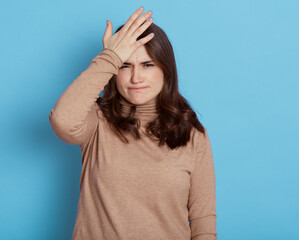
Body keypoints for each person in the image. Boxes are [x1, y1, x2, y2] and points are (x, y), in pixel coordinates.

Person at [49, 7, 217, 240]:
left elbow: (202, 219)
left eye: (147, 65)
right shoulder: (97, 119)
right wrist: (110, 57)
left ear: (166, 70)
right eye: (125, 66)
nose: (136, 77)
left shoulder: (192, 133)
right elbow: (63, 121)